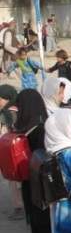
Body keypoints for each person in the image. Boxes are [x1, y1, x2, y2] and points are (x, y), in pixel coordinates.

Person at [15, 89, 61, 233]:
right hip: (40, 181)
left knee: (34, 218)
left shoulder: (21, 127)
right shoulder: (40, 129)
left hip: (27, 180)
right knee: (44, 218)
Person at [0, 84, 24, 221]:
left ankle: (18, 208)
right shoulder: (17, 109)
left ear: (7, 98)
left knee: (13, 180)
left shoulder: (8, 113)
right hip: (16, 149)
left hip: (12, 149)